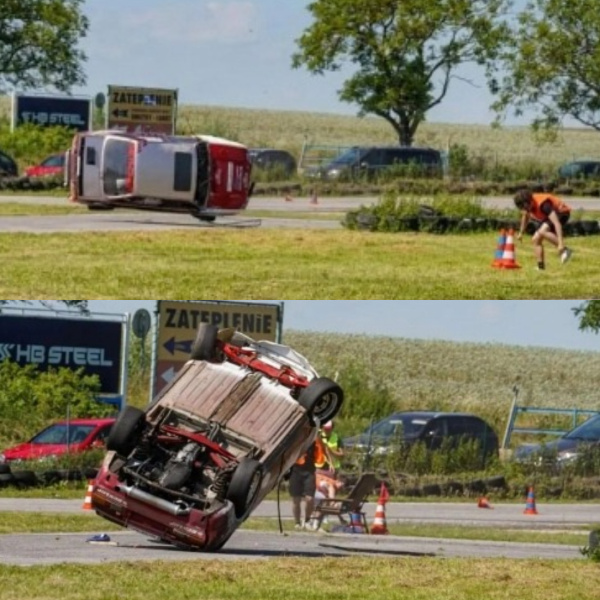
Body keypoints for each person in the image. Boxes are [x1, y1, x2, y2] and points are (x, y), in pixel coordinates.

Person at [513, 189, 573, 270]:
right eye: (523, 208)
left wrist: (561, 244)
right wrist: (521, 233)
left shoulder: (544, 205)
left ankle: (565, 250)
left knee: (543, 231)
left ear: (530, 201)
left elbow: (556, 223)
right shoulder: (527, 207)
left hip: (562, 212)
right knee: (535, 239)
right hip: (548, 217)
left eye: (526, 207)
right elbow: (525, 217)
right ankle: (541, 267)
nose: (526, 210)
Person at [288, 437, 326, 530]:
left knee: (309, 498)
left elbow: (322, 451)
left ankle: (307, 520)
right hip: (295, 470)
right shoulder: (296, 437)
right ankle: (297, 522)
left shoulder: (315, 437)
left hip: (309, 471)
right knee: (296, 499)